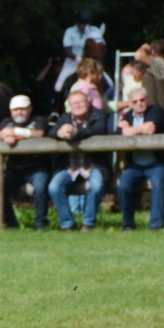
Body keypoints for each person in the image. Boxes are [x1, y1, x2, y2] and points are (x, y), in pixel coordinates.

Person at [46, 87, 111, 231]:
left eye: (80, 102)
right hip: (69, 166)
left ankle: (88, 223)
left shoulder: (98, 115)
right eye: (73, 103)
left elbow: (99, 130)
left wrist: (76, 132)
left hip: (94, 166)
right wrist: (60, 132)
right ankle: (68, 224)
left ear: (88, 102)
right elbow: (50, 131)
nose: (77, 106)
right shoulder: (65, 118)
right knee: (54, 187)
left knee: (97, 185)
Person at [114, 86, 164, 230]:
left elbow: (150, 128)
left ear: (147, 100)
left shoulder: (156, 111)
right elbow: (119, 133)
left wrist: (128, 130)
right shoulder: (127, 116)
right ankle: (128, 224)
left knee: (157, 183)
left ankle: (156, 225)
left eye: (142, 100)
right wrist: (134, 130)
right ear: (130, 104)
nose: (139, 103)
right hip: (135, 164)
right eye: (135, 101)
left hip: (157, 162)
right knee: (123, 185)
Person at [0, 95, 50, 229]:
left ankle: (40, 223)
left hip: (36, 167)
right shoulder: (6, 122)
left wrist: (15, 133)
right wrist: (4, 135)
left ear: (30, 109)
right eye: (16, 109)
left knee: (41, 188)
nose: (19, 112)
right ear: (11, 111)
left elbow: (39, 134)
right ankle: (11, 223)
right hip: (14, 168)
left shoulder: (38, 120)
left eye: (23, 109)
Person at [55, 10, 104, 95]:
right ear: (77, 23)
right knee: (58, 86)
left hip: (92, 63)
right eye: (82, 24)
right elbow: (67, 49)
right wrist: (78, 58)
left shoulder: (95, 30)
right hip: (73, 62)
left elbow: (101, 47)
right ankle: (56, 105)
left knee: (109, 82)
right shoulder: (70, 31)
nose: (84, 27)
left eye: (87, 24)